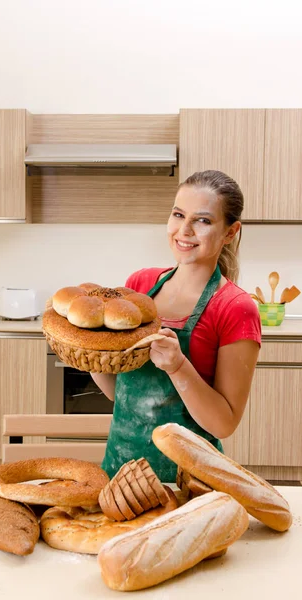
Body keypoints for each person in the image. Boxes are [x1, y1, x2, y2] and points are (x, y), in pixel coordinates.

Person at [92, 169, 261, 482]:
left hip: (188, 484)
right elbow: (123, 396)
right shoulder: (139, 285)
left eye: (203, 220)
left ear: (230, 232)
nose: (184, 230)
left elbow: (224, 424)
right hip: (120, 476)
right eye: (178, 214)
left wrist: (178, 366)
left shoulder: (235, 309)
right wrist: (90, 353)